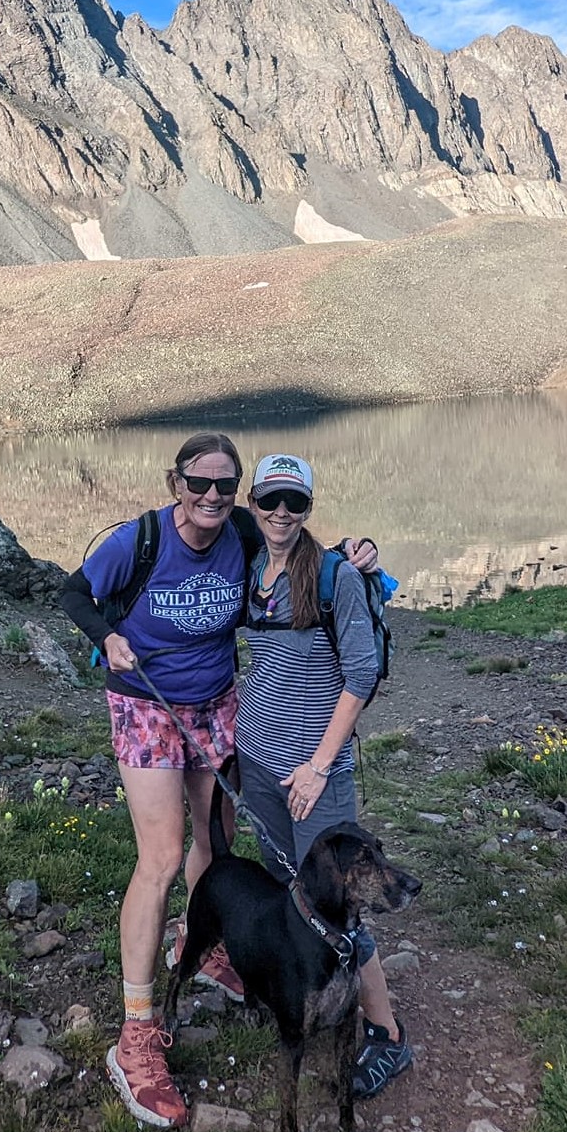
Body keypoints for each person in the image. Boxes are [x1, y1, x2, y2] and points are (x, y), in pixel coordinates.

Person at [59, 434, 379, 1128]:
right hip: (145, 703)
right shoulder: (138, 539)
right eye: (197, 484)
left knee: (218, 846)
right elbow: (73, 591)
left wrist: (357, 554)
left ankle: (211, 949)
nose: (211, 497)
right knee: (163, 856)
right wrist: (106, 635)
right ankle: (137, 1031)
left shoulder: (239, 528)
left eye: (224, 486)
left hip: (214, 706)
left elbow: (295, 543)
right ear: (174, 480)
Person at [235, 451, 413, 1099]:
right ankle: (306, 997)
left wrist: (315, 765)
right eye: (270, 500)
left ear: (308, 507)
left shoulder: (333, 573)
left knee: (340, 911)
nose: (281, 512)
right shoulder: (249, 564)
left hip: (315, 771)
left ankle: (387, 1034)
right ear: (252, 502)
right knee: (291, 889)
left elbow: (360, 674)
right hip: (256, 757)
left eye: (295, 502)